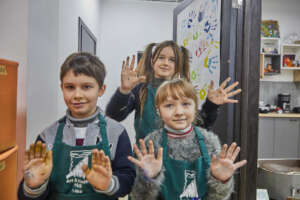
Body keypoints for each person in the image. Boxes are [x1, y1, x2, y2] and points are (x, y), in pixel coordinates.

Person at [18, 52, 135, 200]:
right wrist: (34, 186)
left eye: (86, 87)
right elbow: (27, 194)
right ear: (62, 88)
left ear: (101, 90)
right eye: (70, 87)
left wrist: (109, 185)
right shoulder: (47, 136)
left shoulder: (116, 132)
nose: (77, 95)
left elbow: (128, 178)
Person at [128, 78, 247, 200]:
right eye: (169, 105)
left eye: (186, 104)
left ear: (195, 107)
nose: (179, 112)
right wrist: (148, 178)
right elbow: (138, 197)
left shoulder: (209, 142)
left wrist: (221, 181)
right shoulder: (150, 144)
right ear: (158, 111)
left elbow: (217, 197)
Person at [106, 40, 241, 143]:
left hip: (177, 162)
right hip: (146, 161)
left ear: (178, 66)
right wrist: (124, 91)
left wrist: (211, 105)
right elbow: (114, 115)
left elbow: (200, 127)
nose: (165, 63)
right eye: (161, 57)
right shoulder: (141, 89)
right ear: (153, 61)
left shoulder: (183, 90)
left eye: (172, 60)